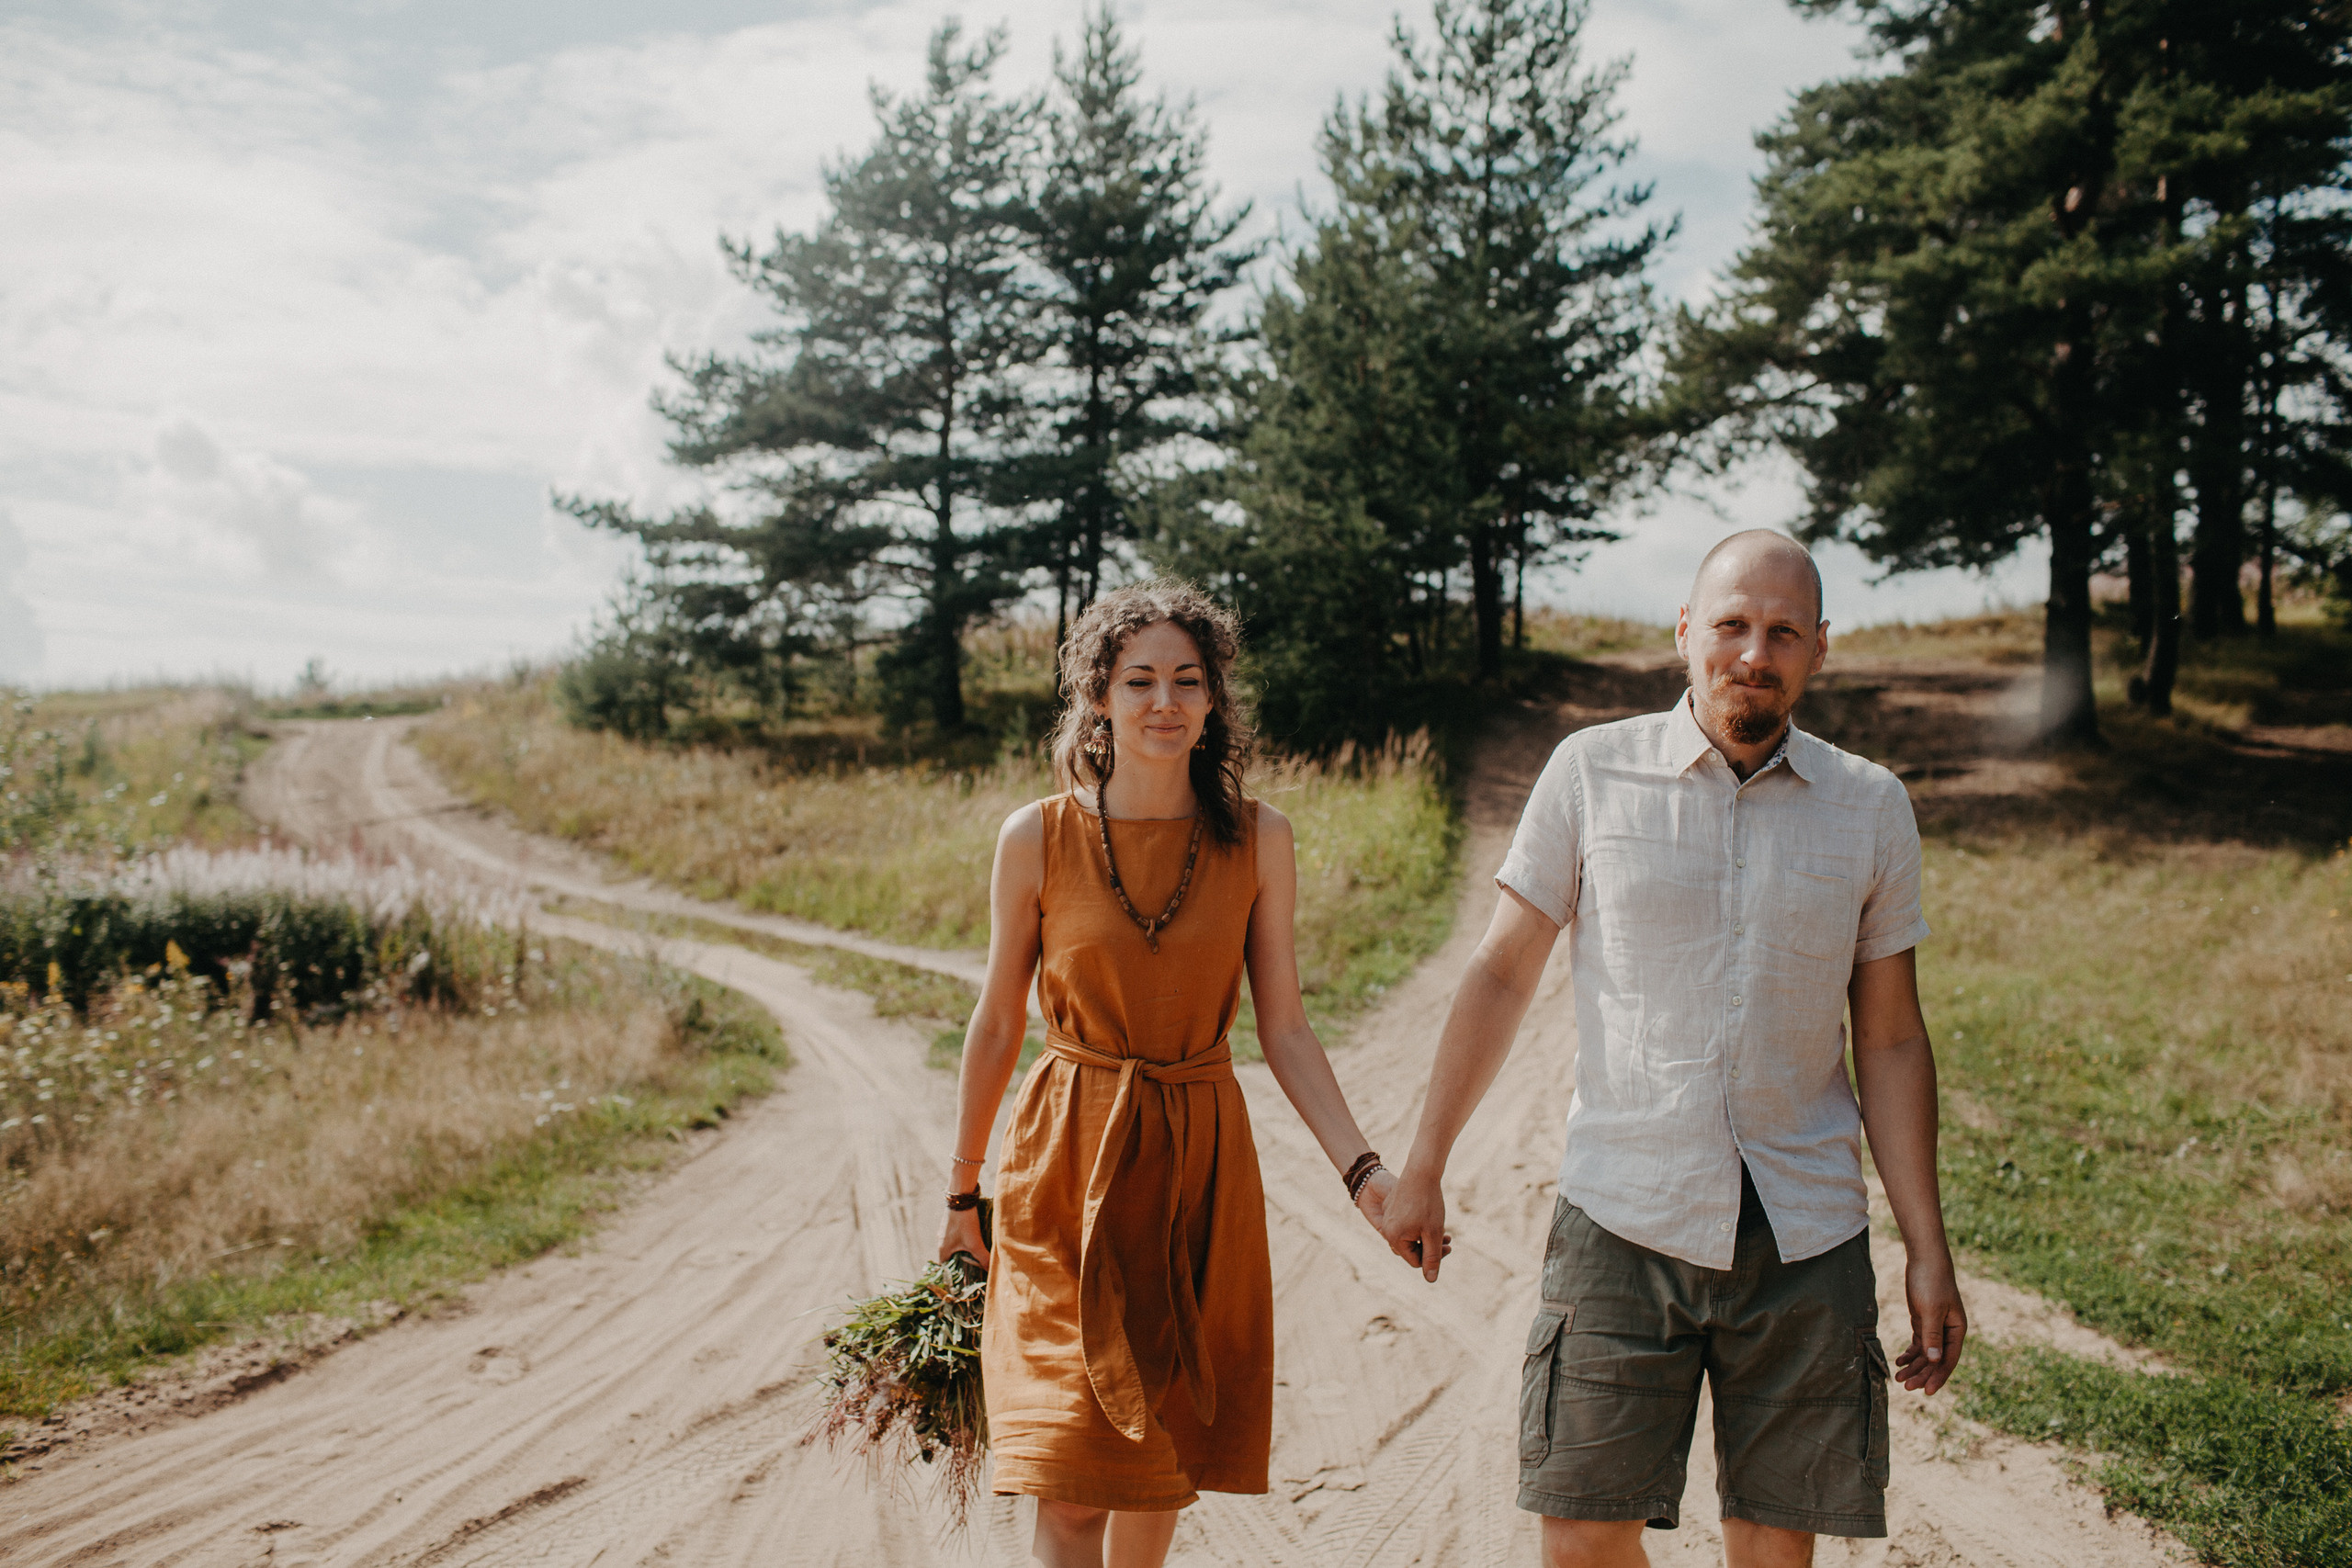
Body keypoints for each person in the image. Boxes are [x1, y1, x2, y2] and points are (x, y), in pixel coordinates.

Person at [1379, 530, 1967, 1568]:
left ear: (1819, 649)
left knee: (1775, 1552)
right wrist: (1423, 1164)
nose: (1754, 650)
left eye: (1783, 631)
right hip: (1622, 1215)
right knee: (1580, 1537)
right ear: (1685, 633)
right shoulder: (1591, 772)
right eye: (1732, 624)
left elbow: (1889, 1037)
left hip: (1805, 1236)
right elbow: (1502, 973)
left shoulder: (1870, 806)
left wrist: (1926, 1247)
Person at [938, 581, 1407, 1568]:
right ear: (1097, 696)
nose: (1165, 702)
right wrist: (961, 1190)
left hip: (1196, 1165)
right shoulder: (1034, 837)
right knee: (1067, 1476)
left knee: (1161, 1461)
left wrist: (1363, 1171)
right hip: (1062, 1164)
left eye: (1187, 681)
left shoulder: (1259, 838)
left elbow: (1283, 1028)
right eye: (1139, 679)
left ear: (1213, 701)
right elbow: (993, 1024)